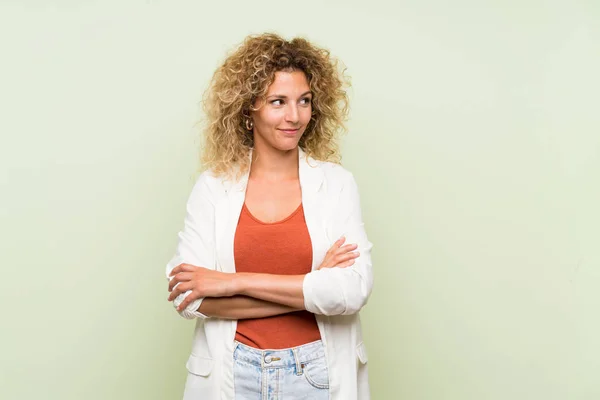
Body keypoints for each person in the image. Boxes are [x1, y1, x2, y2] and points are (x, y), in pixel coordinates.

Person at [165, 32, 373, 400]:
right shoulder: (213, 187)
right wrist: (311, 284)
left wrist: (232, 282)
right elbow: (188, 296)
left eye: (304, 101)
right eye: (278, 102)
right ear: (249, 109)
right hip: (234, 371)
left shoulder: (337, 184)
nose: (295, 116)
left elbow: (351, 290)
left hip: (317, 373)